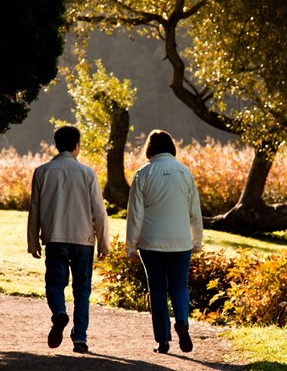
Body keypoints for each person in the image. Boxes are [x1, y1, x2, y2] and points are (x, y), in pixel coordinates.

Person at [27, 125, 109, 354]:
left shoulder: (42, 171)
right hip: (84, 239)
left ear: (56, 145)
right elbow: (99, 213)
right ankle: (80, 337)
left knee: (55, 283)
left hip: (55, 237)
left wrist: (33, 242)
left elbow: (35, 209)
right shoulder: (87, 172)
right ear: (77, 146)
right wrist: (103, 243)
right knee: (82, 290)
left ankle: (59, 313)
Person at [126, 130, 203, 354]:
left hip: (151, 243)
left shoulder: (143, 174)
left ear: (149, 148)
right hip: (181, 242)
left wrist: (131, 245)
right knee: (179, 285)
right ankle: (182, 322)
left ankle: (163, 340)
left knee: (157, 289)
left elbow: (135, 214)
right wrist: (196, 240)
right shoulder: (185, 172)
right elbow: (194, 211)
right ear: (171, 147)